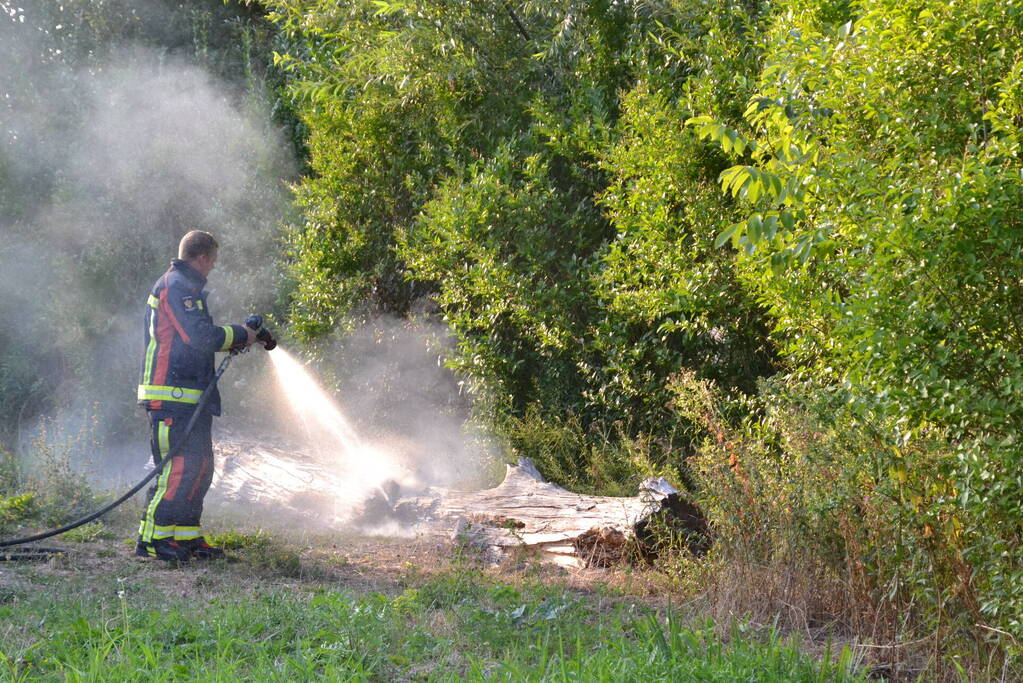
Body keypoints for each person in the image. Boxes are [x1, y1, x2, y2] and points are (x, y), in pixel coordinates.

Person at [135, 230, 255, 562]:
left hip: (191, 396)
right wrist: (241, 334)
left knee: (200, 467)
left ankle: (186, 537)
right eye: (212, 261)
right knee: (177, 468)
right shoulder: (175, 286)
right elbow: (198, 336)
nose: (213, 267)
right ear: (201, 258)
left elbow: (199, 340)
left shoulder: (188, 288)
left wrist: (236, 339)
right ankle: (153, 540)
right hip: (170, 396)